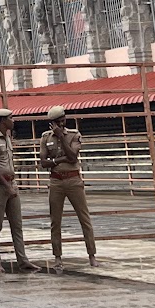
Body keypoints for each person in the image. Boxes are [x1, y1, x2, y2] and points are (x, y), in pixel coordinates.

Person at [0, 109, 39, 273]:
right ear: (2, 121)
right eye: (10, 118)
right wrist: (7, 186)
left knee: (17, 224)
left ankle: (22, 259)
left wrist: (11, 185)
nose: (13, 120)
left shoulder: (7, 137)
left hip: (10, 183)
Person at [40, 106, 97, 269]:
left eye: (63, 120)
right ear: (52, 123)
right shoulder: (45, 137)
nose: (61, 124)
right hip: (56, 181)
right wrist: (58, 160)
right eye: (58, 122)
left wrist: (61, 138)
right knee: (55, 221)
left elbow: (72, 157)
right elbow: (43, 162)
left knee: (84, 218)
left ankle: (91, 255)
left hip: (73, 180)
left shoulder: (74, 134)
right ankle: (57, 257)